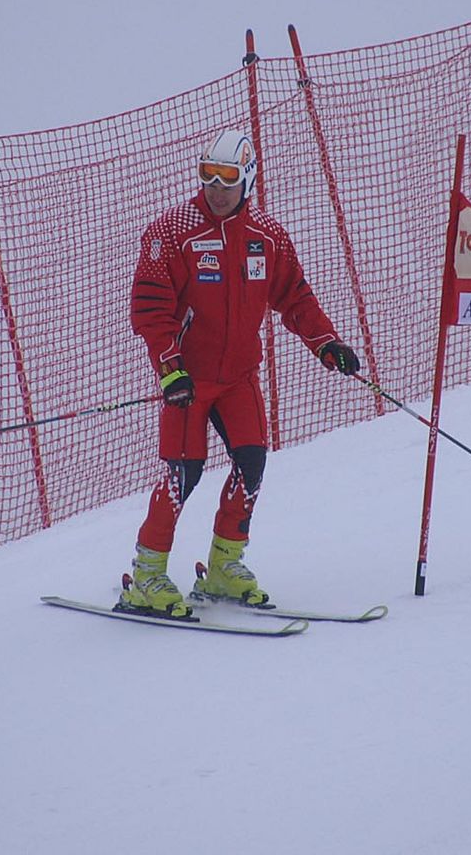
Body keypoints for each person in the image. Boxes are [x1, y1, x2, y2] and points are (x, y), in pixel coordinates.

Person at [122, 128, 360, 618]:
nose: (215, 186)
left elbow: (294, 297)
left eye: (227, 177)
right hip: (189, 379)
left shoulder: (267, 238)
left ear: (247, 179)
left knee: (251, 465)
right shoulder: (173, 232)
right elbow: (151, 308)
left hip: (239, 378)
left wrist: (327, 343)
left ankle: (225, 566)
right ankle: (146, 575)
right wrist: (171, 370)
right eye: (207, 174)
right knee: (181, 476)